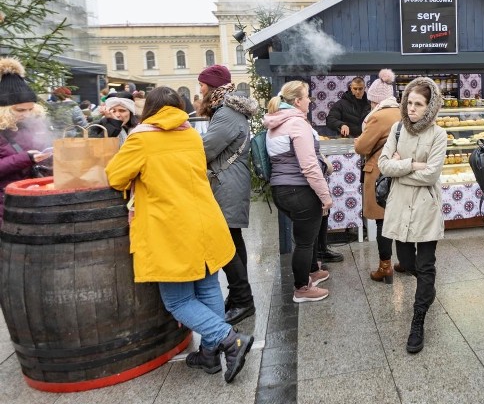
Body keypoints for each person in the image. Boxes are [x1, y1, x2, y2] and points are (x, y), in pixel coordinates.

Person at [105, 86, 253, 383]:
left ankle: (226, 338)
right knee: (208, 286)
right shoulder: (190, 135)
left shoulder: (141, 139)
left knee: (177, 300)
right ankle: (210, 354)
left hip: (172, 228)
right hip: (205, 221)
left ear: (149, 109)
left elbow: (116, 176)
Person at [378, 76, 446, 354]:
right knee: (405, 261)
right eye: (409, 103)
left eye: (418, 104)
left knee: (426, 266)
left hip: (425, 210)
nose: (412, 109)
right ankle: (426, 289)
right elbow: (383, 166)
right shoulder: (396, 129)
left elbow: (432, 174)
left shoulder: (438, 134)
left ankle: (418, 320)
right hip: (399, 208)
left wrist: (400, 167)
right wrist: (412, 165)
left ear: (430, 107)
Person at [198, 65, 258, 325]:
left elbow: (206, 150)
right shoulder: (228, 111)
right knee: (233, 239)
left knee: (227, 242)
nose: (199, 89)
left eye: (202, 84)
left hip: (227, 183)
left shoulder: (225, 113)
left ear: (212, 86)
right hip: (230, 180)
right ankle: (238, 296)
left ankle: (244, 301)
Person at [264, 81, 333, 303]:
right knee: (304, 241)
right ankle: (302, 288)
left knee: (306, 235)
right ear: (297, 101)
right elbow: (309, 166)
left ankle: (312, 272)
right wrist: (325, 196)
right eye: (307, 97)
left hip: (280, 189)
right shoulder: (297, 124)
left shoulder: (274, 123)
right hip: (300, 189)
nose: (310, 100)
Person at [354, 68, 402, 283]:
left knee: (383, 220)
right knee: (401, 218)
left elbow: (362, 146)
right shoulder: (401, 111)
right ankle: (407, 261)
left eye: (372, 100)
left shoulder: (379, 116)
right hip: (400, 171)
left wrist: (357, 140)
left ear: (376, 99)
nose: (371, 104)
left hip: (381, 173)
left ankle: (385, 267)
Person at [0, 58, 50, 226]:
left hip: (27, 199)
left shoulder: (31, 126)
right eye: (20, 110)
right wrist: (25, 158)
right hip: (5, 204)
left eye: (30, 109)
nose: (27, 114)